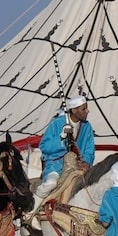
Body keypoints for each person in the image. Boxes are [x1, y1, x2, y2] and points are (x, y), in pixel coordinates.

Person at [29, 95, 96, 227]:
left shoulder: (87, 127)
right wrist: (62, 136)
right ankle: (32, 212)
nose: (87, 111)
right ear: (74, 110)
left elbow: (89, 149)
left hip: (77, 166)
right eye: (84, 109)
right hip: (55, 165)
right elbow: (44, 147)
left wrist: (87, 162)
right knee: (51, 184)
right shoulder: (57, 124)